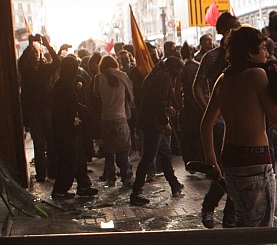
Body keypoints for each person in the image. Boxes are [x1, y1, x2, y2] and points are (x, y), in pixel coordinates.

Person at [199, 26, 277, 245]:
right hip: (256, 161)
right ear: (250, 52)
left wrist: (213, 163)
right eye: (262, 48)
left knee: (241, 225)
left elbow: (205, 124)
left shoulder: (224, 78)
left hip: (230, 161)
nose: (267, 53)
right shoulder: (258, 76)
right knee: (260, 232)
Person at [194, 13, 242, 228]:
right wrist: (209, 108)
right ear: (222, 32)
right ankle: (211, 206)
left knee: (237, 171)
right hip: (221, 121)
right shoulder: (211, 57)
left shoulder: (245, 57)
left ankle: (230, 215)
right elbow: (197, 86)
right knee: (225, 170)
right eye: (233, 28)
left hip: (242, 120)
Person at [130, 56, 185, 206]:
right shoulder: (162, 78)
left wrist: (168, 108)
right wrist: (165, 121)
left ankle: (174, 184)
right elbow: (157, 103)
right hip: (153, 123)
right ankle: (136, 192)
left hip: (151, 121)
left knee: (165, 154)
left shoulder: (156, 74)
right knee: (148, 157)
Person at [49, 56, 98, 200]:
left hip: (69, 128)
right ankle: (60, 190)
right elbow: (68, 106)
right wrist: (81, 110)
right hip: (64, 130)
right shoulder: (62, 85)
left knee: (78, 158)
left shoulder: (65, 83)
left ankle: (83, 185)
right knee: (68, 161)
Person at [18, 35, 57, 182]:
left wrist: (47, 45)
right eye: (32, 53)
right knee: (39, 143)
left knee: (50, 141)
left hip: (46, 109)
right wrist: (30, 45)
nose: (34, 55)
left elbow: (57, 62)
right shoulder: (26, 71)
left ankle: (51, 171)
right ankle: (42, 173)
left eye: (35, 53)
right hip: (35, 111)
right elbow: (21, 62)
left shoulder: (44, 69)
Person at [95, 55, 134, 187]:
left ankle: (111, 178)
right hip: (121, 118)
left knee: (109, 151)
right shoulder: (123, 76)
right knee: (123, 149)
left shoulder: (98, 78)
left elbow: (95, 95)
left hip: (106, 118)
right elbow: (130, 96)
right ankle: (126, 175)